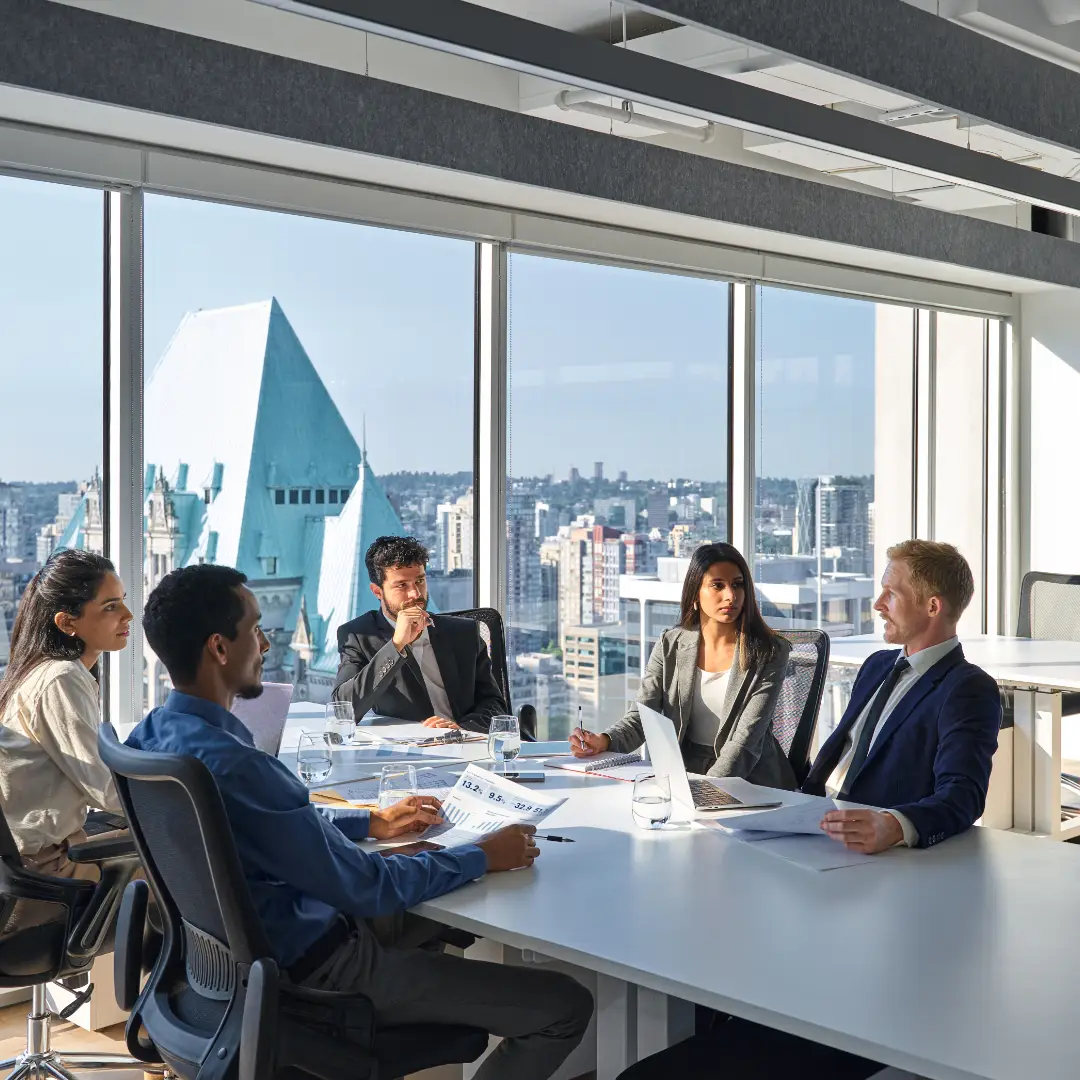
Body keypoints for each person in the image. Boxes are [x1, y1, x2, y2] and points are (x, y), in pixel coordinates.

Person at [128, 565, 592, 1080]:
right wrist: (483, 854)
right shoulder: (242, 765)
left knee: (434, 916)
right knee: (564, 1006)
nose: (263, 644)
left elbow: (252, 825)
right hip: (320, 974)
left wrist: (367, 822)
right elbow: (366, 886)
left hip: (222, 975)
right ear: (219, 648)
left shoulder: (152, 738)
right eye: (256, 629)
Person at [616, 539, 1002, 1080]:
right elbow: (830, 763)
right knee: (701, 912)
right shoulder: (877, 667)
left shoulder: (967, 689)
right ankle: (723, 1020)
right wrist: (791, 808)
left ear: (932, 607)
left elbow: (962, 796)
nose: (877, 604)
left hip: (875, 873)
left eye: (891, 593)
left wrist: (897, 823)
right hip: (811, 835)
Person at [570, 542, 796, 789]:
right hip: (682, 775)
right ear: (695, 594)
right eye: (717, 585)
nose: (730, 595)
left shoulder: (769, 651)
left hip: (751, 781)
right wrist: (604, 740)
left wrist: (707, 790)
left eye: (737, 584)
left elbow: (745, 741)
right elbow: (644, 716)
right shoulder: (671, 645)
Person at [0, 549, 133, 884]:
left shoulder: (42, 671)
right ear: (67, 622)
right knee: (185, 866)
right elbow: (105, 788)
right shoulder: (60, 678)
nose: (129, 615)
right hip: (48, 869)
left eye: (123, 601)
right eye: (111, 606)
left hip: (37, 856)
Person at [333, 535, 505, 731]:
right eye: (401, 585)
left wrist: (461, 728)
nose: (415, 594)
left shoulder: (464, 633)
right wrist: (396, 645)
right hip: (408, 752)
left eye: (420, 581)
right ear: (377, 592)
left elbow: (495, 705)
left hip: (466, 741)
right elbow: (343, 711)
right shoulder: (359, 636)